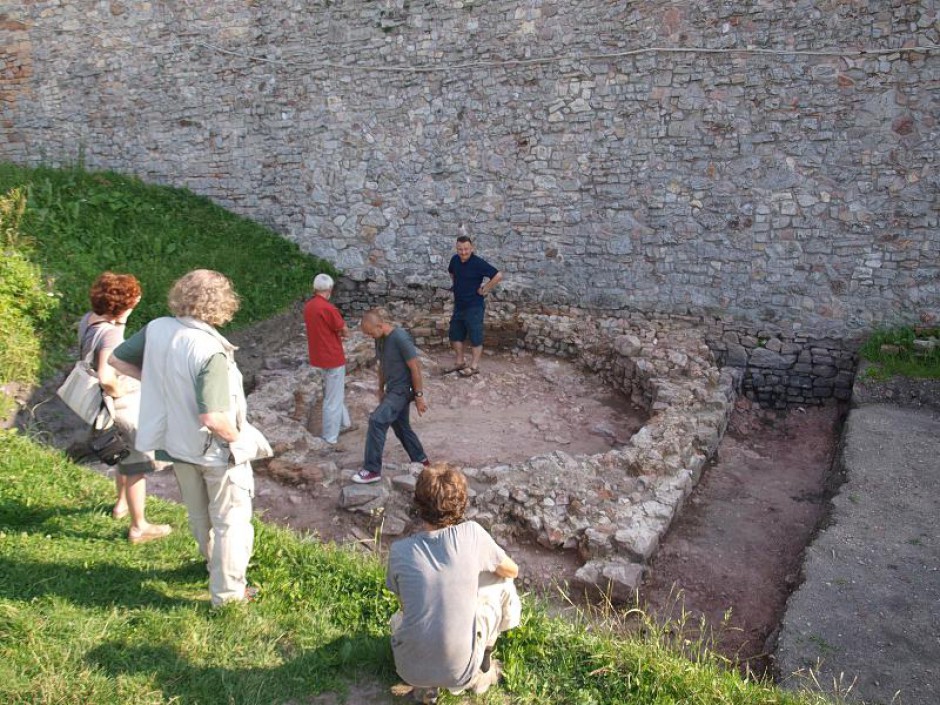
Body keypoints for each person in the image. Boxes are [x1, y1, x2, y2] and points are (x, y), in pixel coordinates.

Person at [110, 270, 257, 606]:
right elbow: (213, 417)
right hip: (213, 449)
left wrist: (162, 384)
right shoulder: (210, 350)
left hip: (176, 443)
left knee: (199, 515)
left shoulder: (158, 328)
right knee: (230, 522)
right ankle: (229, 595)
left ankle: (212, 565)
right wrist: (240, 441)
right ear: (222, 304)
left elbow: (117, 359)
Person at [386, 464, 521, 703]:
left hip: (408, 669)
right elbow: (512, 569)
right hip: (460, 673)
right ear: (461, 503)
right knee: (502, 580)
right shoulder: (472, 534)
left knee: (402, 615)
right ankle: (484, 661)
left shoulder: (399, 551)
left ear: (419, 503)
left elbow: (405, 605)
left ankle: (426, 686)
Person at [78, 272, 172, 545]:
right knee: (136, 467)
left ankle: (120, 505)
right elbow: (107, 377)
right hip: (118, 407)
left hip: (96, 402)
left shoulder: (89, 320)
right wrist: (122, 393)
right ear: (125, 304)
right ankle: (139, 526)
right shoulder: (111, 335)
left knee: (122, 455)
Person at [351, 308, 430, 484]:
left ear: (380, 325)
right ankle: (422, 461)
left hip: (402, 390)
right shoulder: (379, 339)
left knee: (377, 421)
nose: (370, 336)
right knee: (401, 426)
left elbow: (415, 367)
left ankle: (372, 470)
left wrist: (418, 396)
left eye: (370, 333)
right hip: (392, 389)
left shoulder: (400, 337)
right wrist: (380, 389)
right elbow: (382, 365)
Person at [303, 273, 353, 446]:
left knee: (333, 393)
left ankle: (344, 423)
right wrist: (345, 334)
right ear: (329, 289)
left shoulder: (309, 306)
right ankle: (330, 436)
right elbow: (343, 328)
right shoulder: (328, 308)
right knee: (332, 398)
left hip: (318, 355)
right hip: (333, 356)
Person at [444, 234, 503, 377]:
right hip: (459, 305)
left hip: (474, 305)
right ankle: (459, 362)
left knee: (475, 336)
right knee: (455, 334)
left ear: (472, 248)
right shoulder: (455, 260)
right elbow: (452, 273)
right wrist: (456, 284)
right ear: (456, 249)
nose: (463, 252)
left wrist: (485, 289)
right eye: (460, 249)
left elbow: (498, 275)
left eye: (466, 249)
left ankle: (474, 366)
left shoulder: (478, 263)